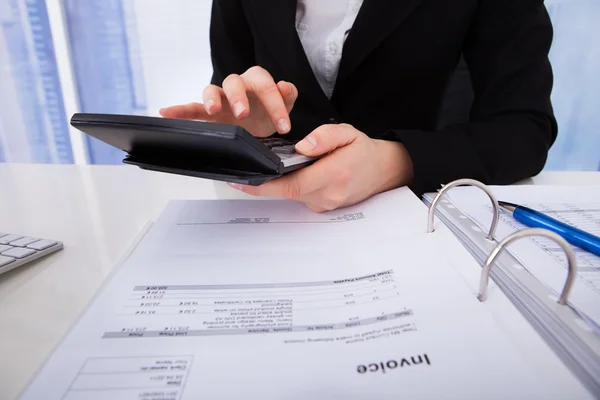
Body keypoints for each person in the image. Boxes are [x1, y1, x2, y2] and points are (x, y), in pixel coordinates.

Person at [160, 0, 557, 212]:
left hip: (420, 217)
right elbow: (235, 81)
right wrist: (246, 130)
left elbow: (524, 128)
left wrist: (396, 162)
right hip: (277, 221)